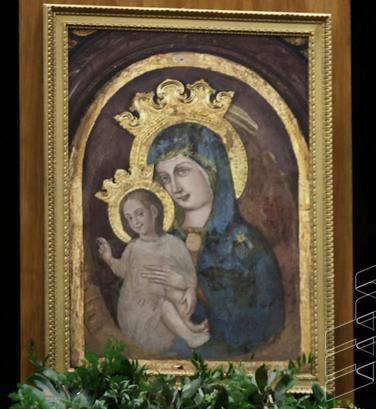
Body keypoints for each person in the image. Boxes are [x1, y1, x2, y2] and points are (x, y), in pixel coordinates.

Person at [146, 122, 284, 357]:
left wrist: (194, 287)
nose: (175, 187)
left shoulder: (247, 246)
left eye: (182, 171)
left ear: (212, 168)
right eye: (165, 178)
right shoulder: (163, 241)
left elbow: (264, 322)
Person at [96, 189, 209, 353]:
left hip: (162, 299)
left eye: (139, 214)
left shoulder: (174, 244)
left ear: (154, 211)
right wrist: (109, 259)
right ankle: (189, 336)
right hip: (137, 309)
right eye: (129, 218)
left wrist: (189, 289)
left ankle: (188, 326)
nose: (135, 221)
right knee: (163, 304)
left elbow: (189, 275)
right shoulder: (134, 248)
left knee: (177, 295)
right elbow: (122, 270)